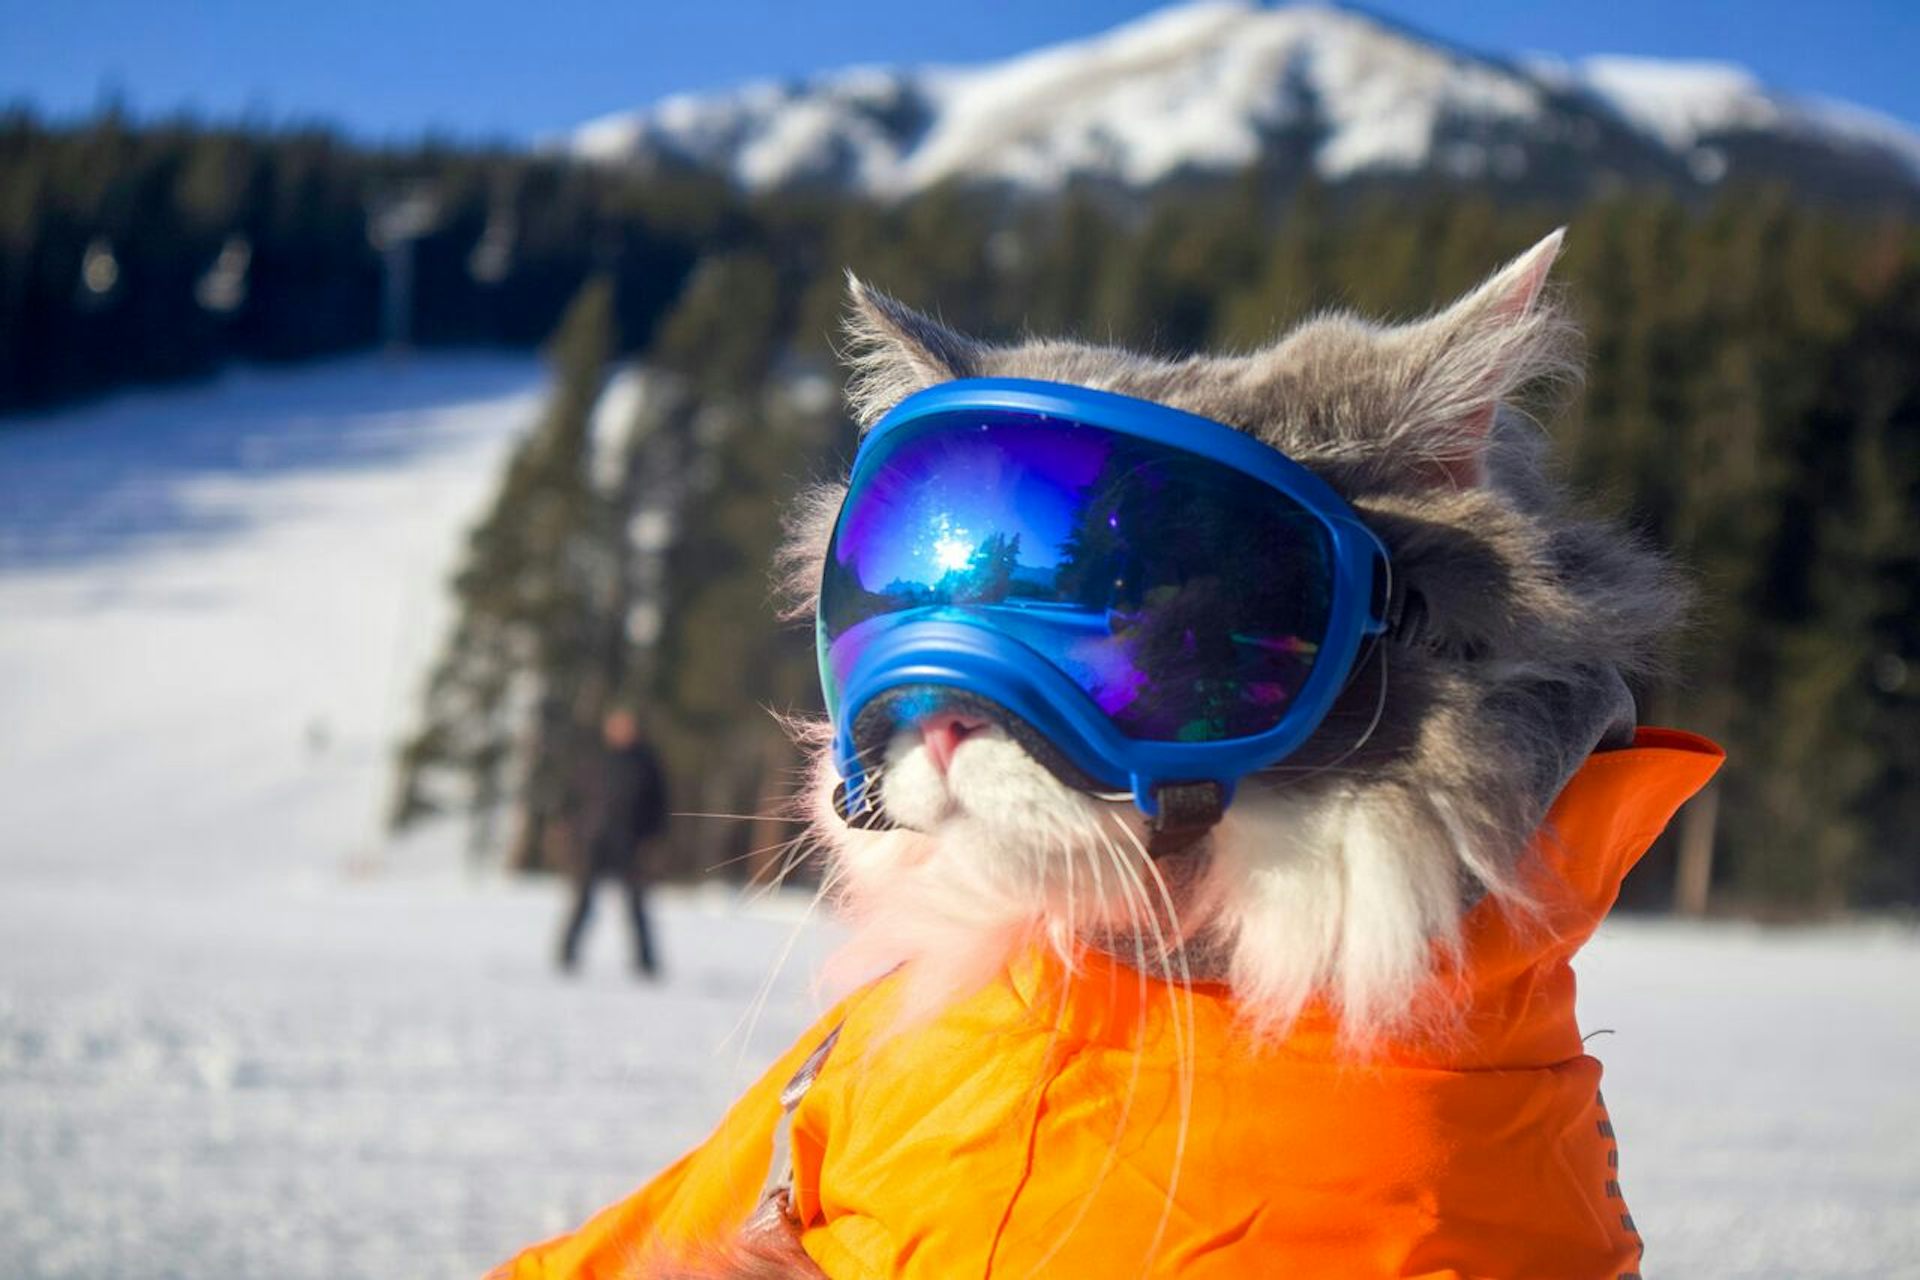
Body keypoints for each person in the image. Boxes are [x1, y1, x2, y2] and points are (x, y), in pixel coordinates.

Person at [556, 707, 668, 977]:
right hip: (594, 840)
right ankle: (566, 955)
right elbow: (573, 798)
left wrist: (652, 839)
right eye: (617, 725)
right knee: (583, 901)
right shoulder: (594, 760)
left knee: (636, 905)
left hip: (631, 842)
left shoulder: (647, 762)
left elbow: (660, 805)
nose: (621, 731)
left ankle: (646, 962)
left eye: (627, 726)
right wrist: (571, 831)